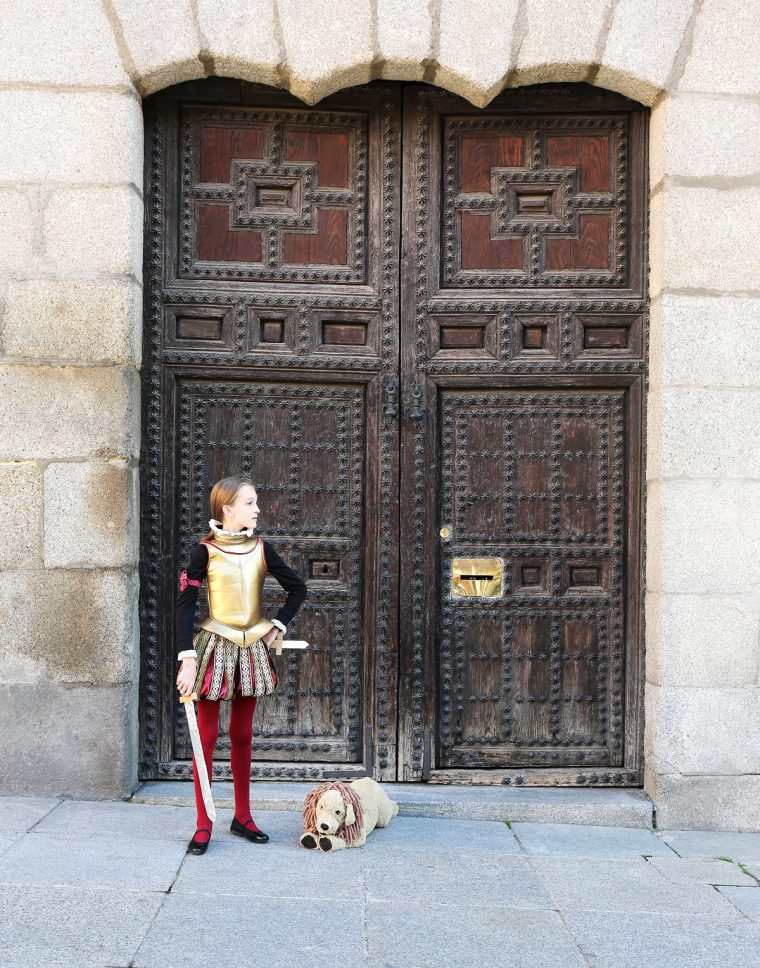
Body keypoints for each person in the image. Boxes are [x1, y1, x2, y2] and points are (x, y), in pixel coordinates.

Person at [175, 476, 307, 855]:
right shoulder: (204, 552)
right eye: (250, 502)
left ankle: (243, 817)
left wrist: (275, 625)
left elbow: (297, 588)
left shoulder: (262, 549)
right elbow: (185, 608)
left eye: (256, 502)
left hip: (251, 650)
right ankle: (204, 823)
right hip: (215, 646)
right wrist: (187, 660)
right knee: (206, 735)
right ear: (227, 509)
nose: (257, 508)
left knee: (243, 735)